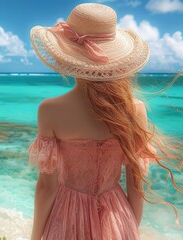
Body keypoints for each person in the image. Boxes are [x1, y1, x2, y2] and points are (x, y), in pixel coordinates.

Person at [27, 3, 183, 240]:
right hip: (117, 214)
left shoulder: (50, 110)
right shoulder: (135, 110)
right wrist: (130, 227)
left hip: (68, 216)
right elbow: (136, 185)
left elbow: (46, 188)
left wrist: (36, 237)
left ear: (67, 57)